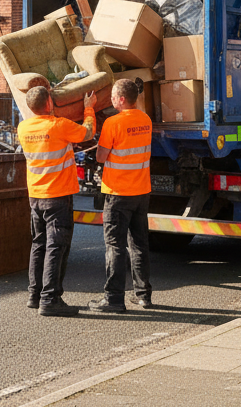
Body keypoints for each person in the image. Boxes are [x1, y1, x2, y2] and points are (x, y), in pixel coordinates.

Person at [17, 85, 95, 317]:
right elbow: (87, 133)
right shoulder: (58, 125)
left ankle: (35, 294)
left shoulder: (23, 127)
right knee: (56, 246)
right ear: (49, 104)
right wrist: (88, 109)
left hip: (36, 196)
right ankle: (50, 299)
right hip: (57, 196)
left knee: (39, 244)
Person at [88, 78, 153, 313]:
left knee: (114, 245)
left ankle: (114, 298)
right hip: (141, 191)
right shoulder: (145, 119)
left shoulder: (112, 123)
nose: (112, 100)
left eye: (113, 96)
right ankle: (143, 295)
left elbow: (101, 157)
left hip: (118, 193)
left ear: (122, 99)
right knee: (139, 244)